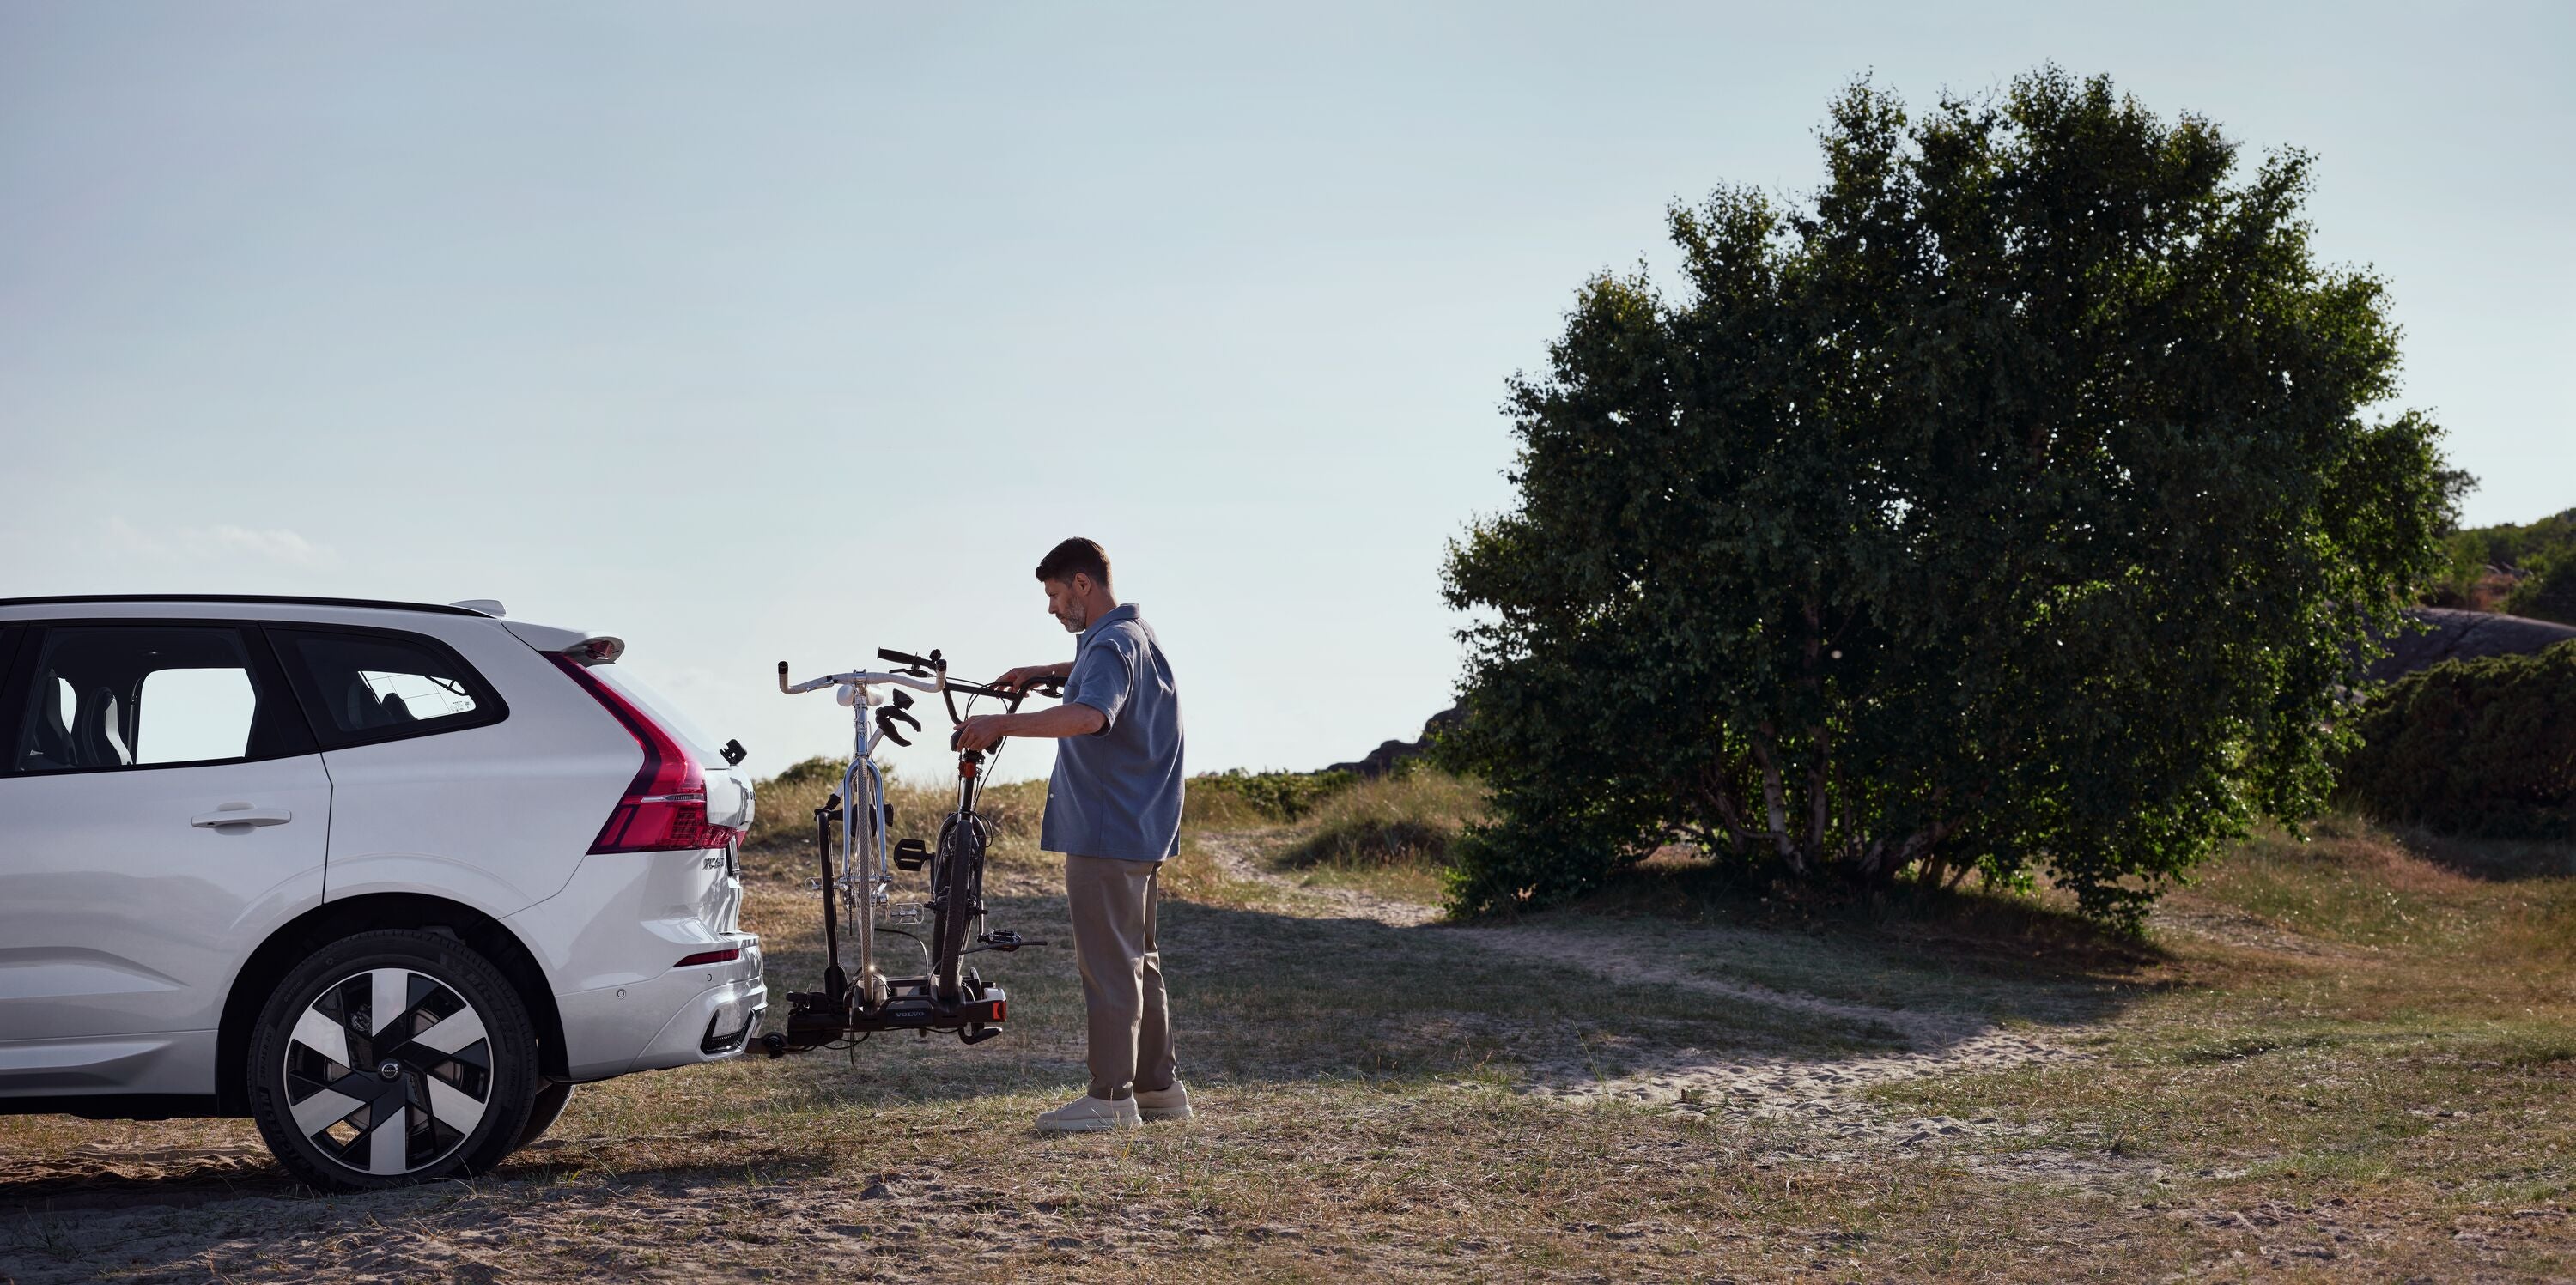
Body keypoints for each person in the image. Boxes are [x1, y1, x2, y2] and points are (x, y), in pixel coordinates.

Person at [956, 537, 1188, 1134]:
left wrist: (1000, 724)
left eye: (1057, 594)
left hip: (1106, 832)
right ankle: (1157, 1088)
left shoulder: (1108, 645)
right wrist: (1043, 672)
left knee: (1109, 966)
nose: (1052, 607)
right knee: (1140, 961)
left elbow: (1091, 714)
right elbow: (1097, 675)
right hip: (1142, 828)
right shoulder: (1133, 635)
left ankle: (1110, 1097)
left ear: (1083, 583)